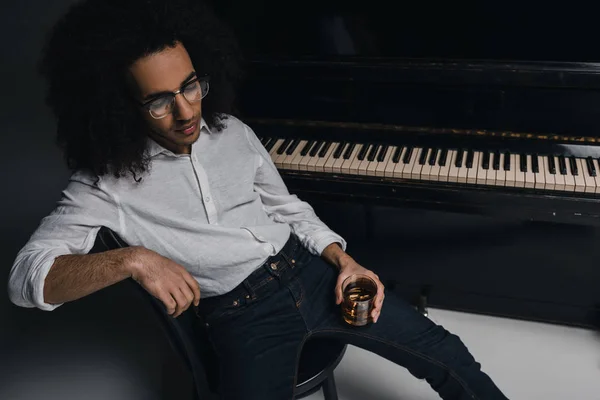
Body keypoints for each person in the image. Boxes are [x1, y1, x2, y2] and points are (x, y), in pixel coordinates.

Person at [7, 0, 509, 399]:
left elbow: (286, 208)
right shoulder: (106, 183)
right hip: (242, 314)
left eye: (190, 86)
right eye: (160, 101)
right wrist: (130, 259)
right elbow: (25, 280)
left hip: (312, 274)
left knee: (447, 354)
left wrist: (344, 260)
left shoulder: (233, 131)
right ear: (120, 105)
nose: (186, 112)